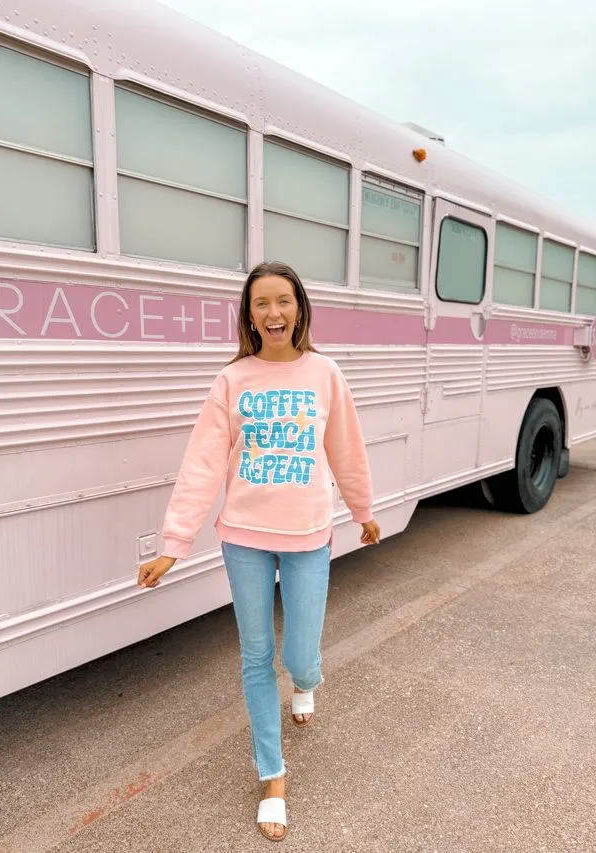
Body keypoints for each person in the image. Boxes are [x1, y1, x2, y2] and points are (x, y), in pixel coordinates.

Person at [138, 261, 380, 841]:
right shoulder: (232, 381)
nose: (273, 313)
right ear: (249, 315)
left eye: (283, 301)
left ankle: (306, 681)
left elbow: (347, 449)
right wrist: (176, 541)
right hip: (242, 537)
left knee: (300, 655)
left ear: (300, 308)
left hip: (308, 537)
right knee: (254, 656)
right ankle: (272, 774)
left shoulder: (324, 374)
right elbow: (201, 464)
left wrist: (364, 512)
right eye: (261, 304)